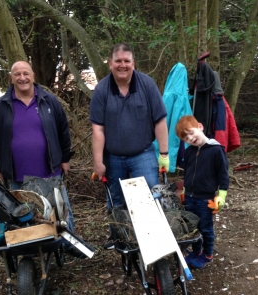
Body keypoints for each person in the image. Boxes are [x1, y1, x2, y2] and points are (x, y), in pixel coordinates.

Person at [0, 61, 82, 257]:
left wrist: (65, 158)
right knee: (22, 214)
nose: (22, 78)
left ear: (33, 76)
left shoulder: (49, 101)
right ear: (11, 78)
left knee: (61, 211)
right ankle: (30, 250)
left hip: (50, 170)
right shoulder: (2, 105)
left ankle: (67, 244)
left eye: (26, 73)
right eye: (17, 74)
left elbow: (63, 131)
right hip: (17, 174)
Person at [89, 42, 170, 248]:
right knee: (116, 199)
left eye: (126, 61)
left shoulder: (147, 84)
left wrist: (164, 153)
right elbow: (98, 129)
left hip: (142, 154)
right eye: (118, 61)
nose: (122, 65)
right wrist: (98, 163)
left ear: (133, 63)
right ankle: (118, 235)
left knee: (151, 193)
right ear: (110, 63)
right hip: (113, 156)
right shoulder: (101, 90)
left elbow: (160, 121)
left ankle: (151, 237)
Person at [175, 115, 229, 269]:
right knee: (192, 228)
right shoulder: (190, 152)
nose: (190, 138)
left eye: (191, 133)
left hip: (206, 199)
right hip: (191, 198)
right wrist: (185, 191)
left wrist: (222, 196)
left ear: (199, 127)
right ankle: (196, 252)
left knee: (205, 228)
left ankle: (207, 255)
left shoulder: (216, 150)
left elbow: (223, 176)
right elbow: (187, 173)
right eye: (186, 138)